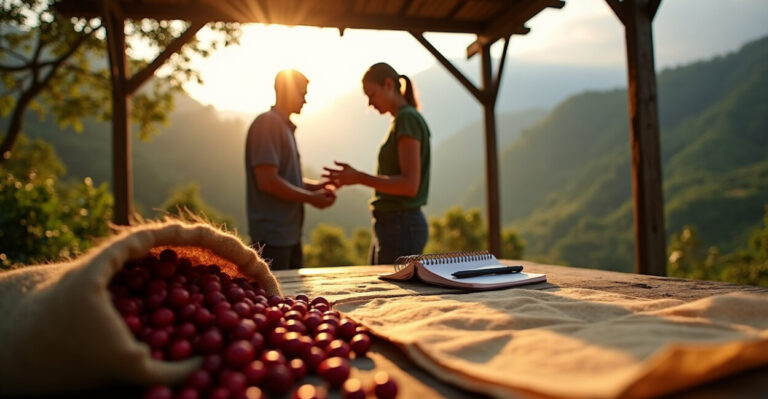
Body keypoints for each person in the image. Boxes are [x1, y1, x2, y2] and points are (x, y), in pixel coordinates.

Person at [323, 62, 431, 265]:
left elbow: (409, 185)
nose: (370, 104)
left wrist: (358, 177)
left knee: (389, 295)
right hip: (394, 226)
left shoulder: (407, 119)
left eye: (372, 95)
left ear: (388, 85)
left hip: (401, 227)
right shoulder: (401, 120)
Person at [245, 69, 336, 270]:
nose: (305, 100)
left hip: (288, 236)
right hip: (272, 238)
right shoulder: (268, 124)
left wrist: (316, 187)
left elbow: (285, 178)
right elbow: (267, 181)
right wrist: (311, 198)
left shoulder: (284, 127)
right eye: (302, 93)